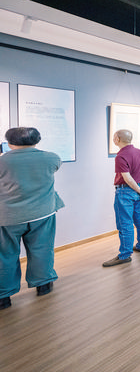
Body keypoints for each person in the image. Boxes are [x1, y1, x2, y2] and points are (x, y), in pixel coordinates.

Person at [0, 127, 63, 310]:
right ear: (37, 140)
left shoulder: (2, 161)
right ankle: (43, 285)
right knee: (42, 249)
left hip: (8, 217)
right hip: (42, 213)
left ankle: (3, 296)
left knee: (5, 255)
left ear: (9, 142)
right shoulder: (51, 158)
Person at [103, 129, 140, 267]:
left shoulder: (121, 156)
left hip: (125, 192)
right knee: (139, 218)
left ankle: (125, 255)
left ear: (117, 139)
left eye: (113, 137)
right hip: (138, 190)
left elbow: (127, 178)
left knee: (125, 223)